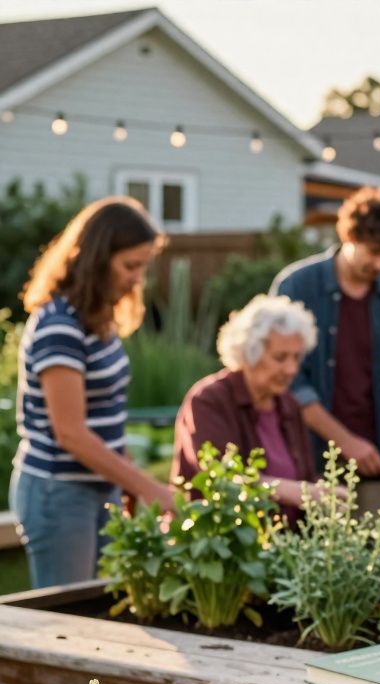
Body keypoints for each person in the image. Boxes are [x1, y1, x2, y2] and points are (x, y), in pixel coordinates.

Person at [10, 197, 174, 588]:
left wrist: (126, 478)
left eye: (143, 266)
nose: (138, 279)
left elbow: (107, 414)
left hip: (98, 486)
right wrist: (147, 486)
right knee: (64, 622)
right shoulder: (59, 326)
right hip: (59, 492)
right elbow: (70, 433)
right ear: (96, 260)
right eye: (130, 266)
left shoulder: (96, 321)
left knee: (97, 610)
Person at [271, 187, 380, 510]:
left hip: (374, 455)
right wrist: (344, 441)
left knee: (371, 549)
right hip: (304, 455)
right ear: (349, 235)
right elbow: (288, 383)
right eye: (374, 251)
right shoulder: (296, 286)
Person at [171, 295, 325, 521]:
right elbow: (220, 479)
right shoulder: (209, 400)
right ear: (248, 354)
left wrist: (325, 495)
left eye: (296, 357)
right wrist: (290, 490)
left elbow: (306, 477)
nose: (292, 369)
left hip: (286, 544)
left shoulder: (288, 404)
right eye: (280, 357)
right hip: (219, 537)